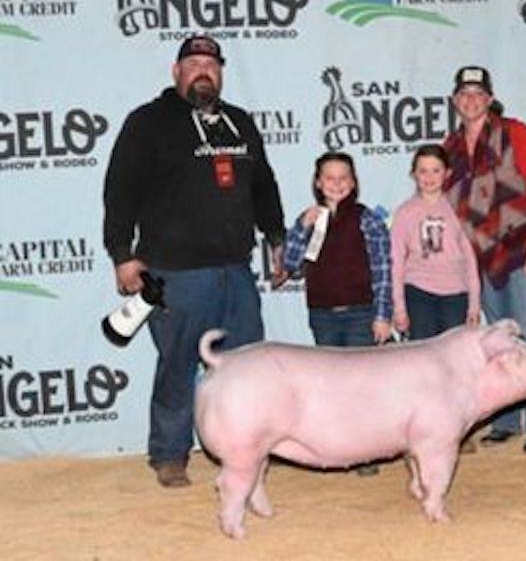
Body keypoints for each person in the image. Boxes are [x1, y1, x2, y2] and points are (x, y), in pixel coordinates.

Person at [102, 35, 286, 488]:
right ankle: (169, 454)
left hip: (235, 269)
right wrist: (123, 256)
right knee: (178, 363)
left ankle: (245, 451)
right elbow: (119, 192)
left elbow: (263, 184)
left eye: (211, 64)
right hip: (174, 271)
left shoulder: (239, 123)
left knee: (244, 367)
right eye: (194, 63)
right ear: (176, 71)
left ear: (221, 72)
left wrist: (277, 237)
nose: (204, 70)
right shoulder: (147, 123)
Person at [443, 65, 526, 453]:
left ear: (490, 99)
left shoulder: (516, 133)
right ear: (454, 101)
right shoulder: (451, 147)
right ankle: (508, 419)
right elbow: (451, 207)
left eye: (478, 93)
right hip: (486, 256)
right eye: (464, 93)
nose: (471, 100)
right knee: (500, 340)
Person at [283, 152, 392, 475]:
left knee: (361, 386)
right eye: (329, 178)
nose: (337, 184)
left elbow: (383, 268)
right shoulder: (309, 218)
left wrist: (382, 314)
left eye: (344, 178)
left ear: (354, 182)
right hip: (322, 313)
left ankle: (367, 453)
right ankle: (336, 449)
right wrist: (301, 228)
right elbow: (290, 265)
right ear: (318, 183)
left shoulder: (366, 218)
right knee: (330, 387)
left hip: (361, 311)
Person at [390, 144, 480, 341]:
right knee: (422, 357)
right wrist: (399, 308)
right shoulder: (405, 213)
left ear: (447, 173)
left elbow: (470, 260)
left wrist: (474, 304)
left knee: (455, 357)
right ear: (413, 174)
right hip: (418, 292)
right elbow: (396, 262)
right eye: (422, 171)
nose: (429, 177)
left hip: (456, 294)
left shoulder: (460, 209)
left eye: (436, 170)